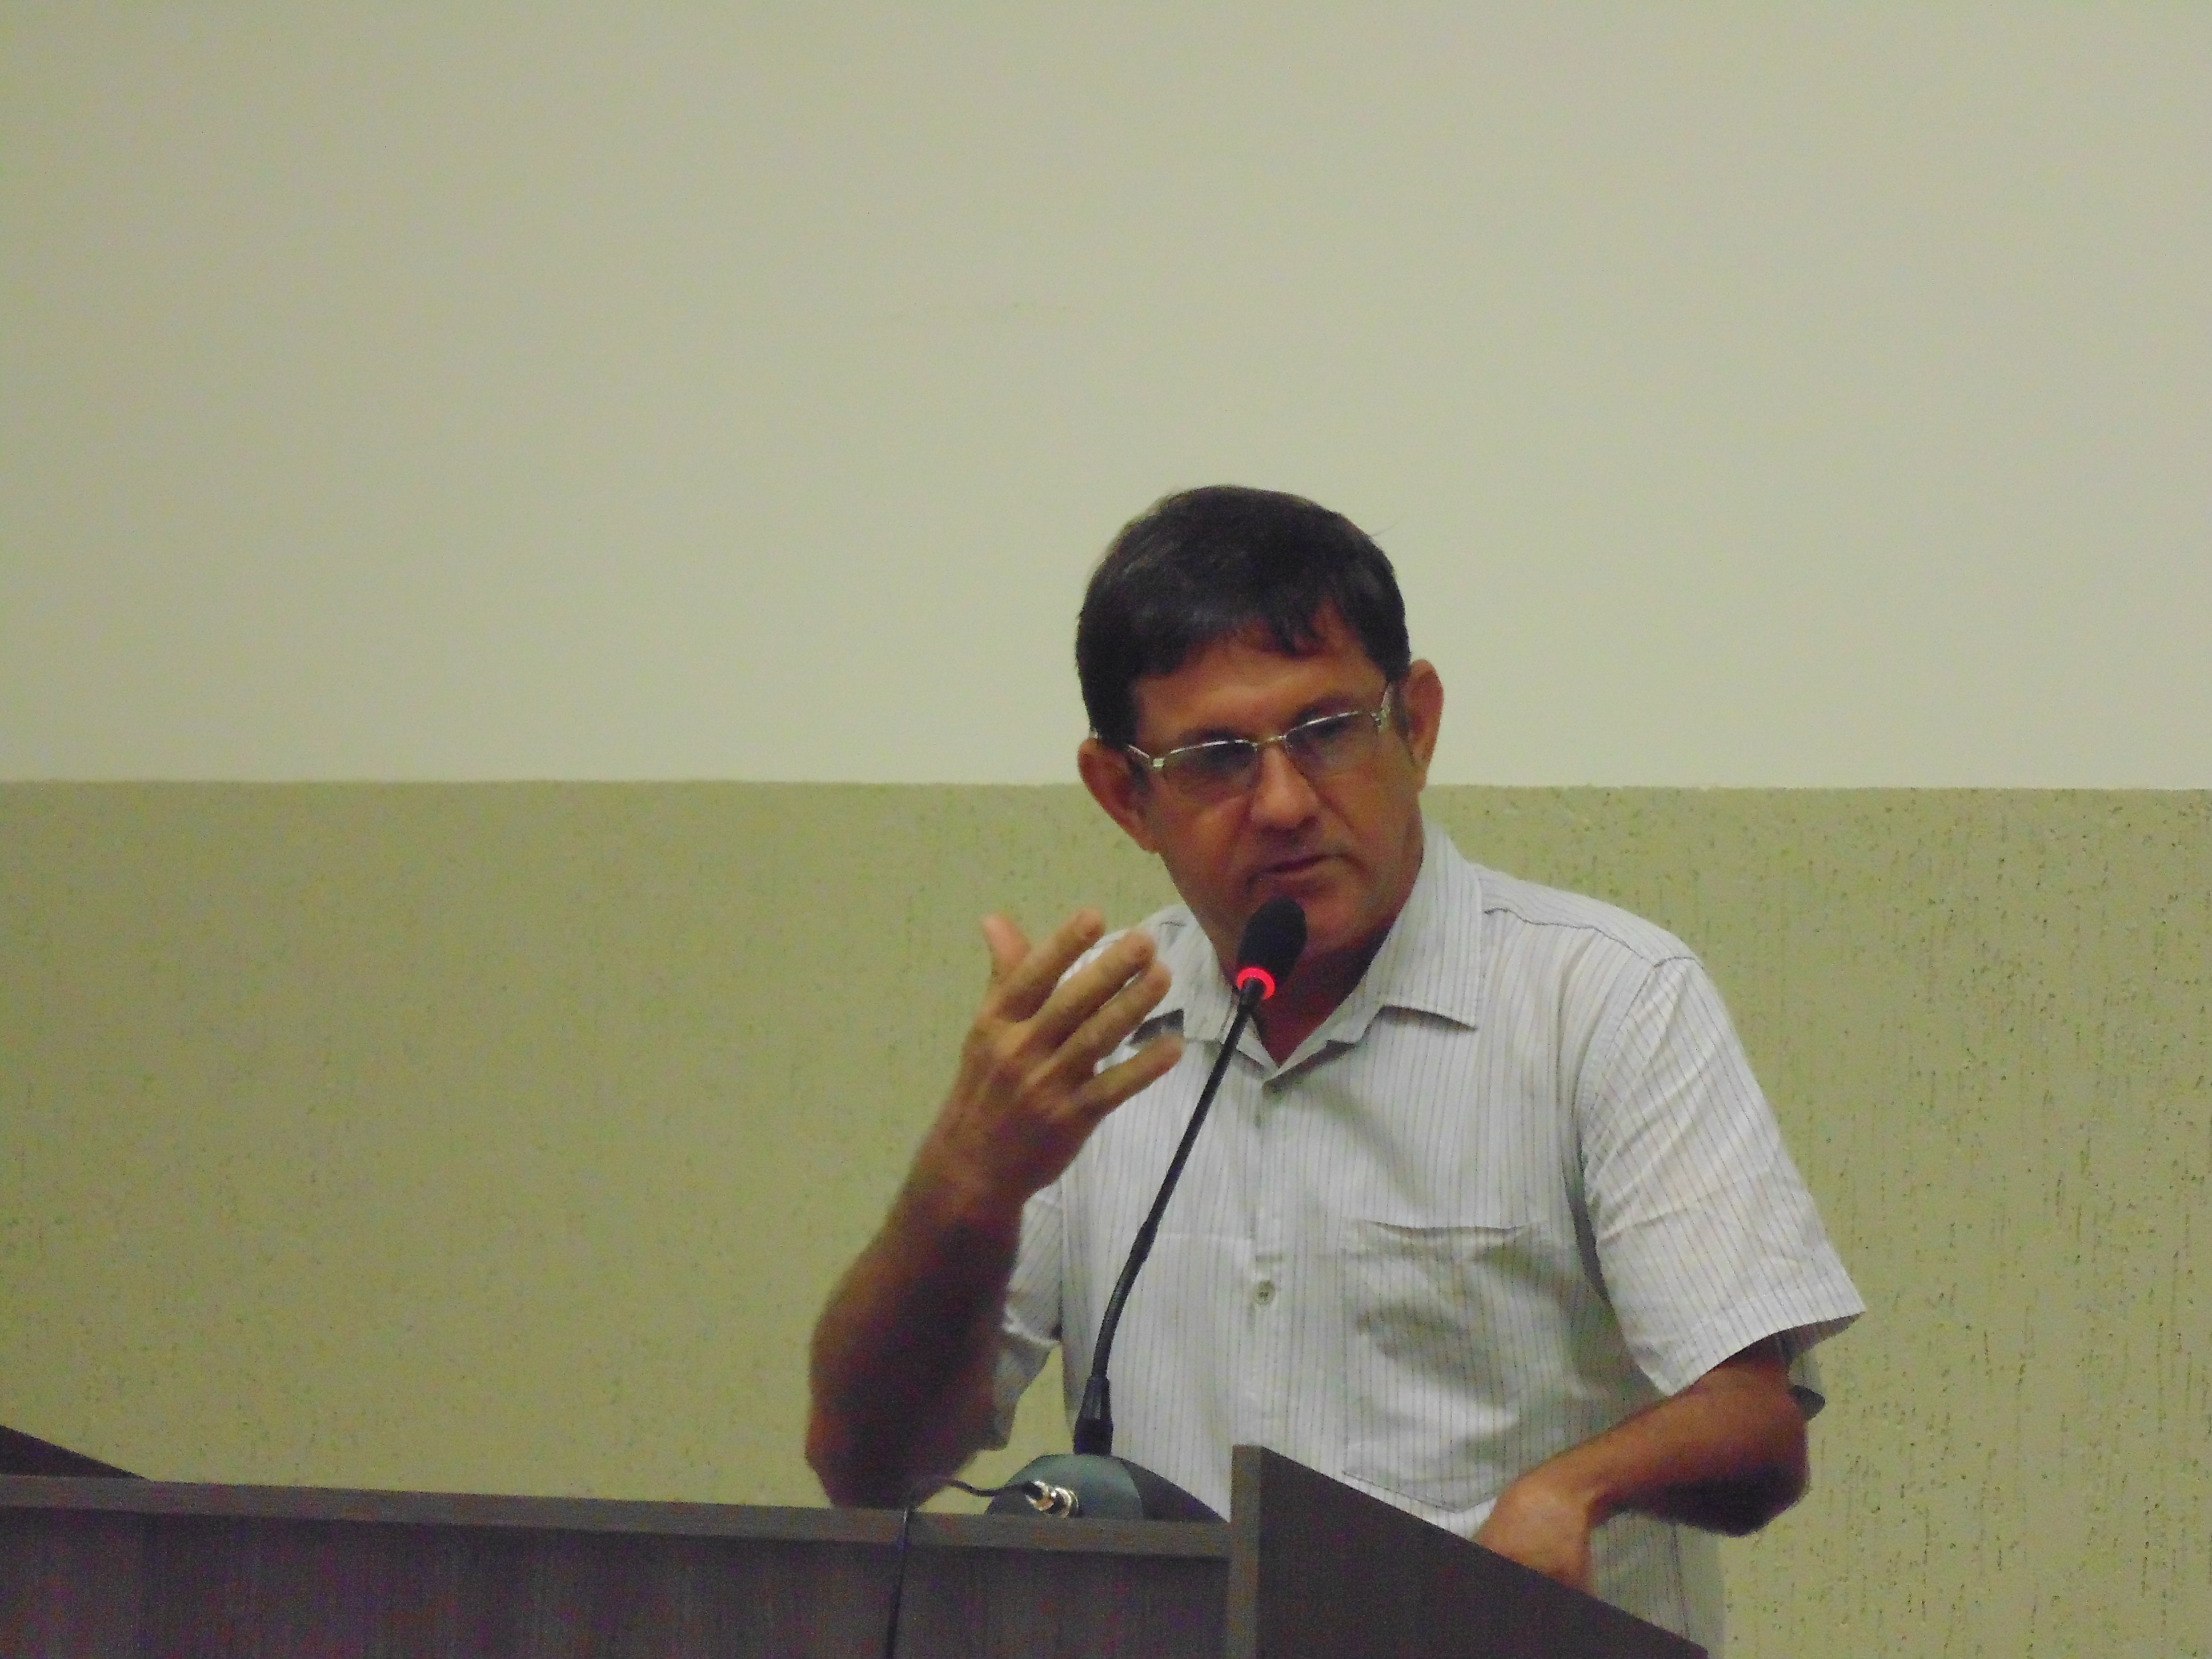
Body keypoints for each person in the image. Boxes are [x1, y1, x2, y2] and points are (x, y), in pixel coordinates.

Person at [807, 485, 1862, 1651]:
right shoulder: (1093, 1043)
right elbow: (870, 1468)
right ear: (1124, 795)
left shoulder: (1605, 1000)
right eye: (1215, 758)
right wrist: (962, 1186)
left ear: (1417, 724)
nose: (1283, 803)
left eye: (1327, 732)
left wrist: (1572, 1490)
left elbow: (1758, 1429)